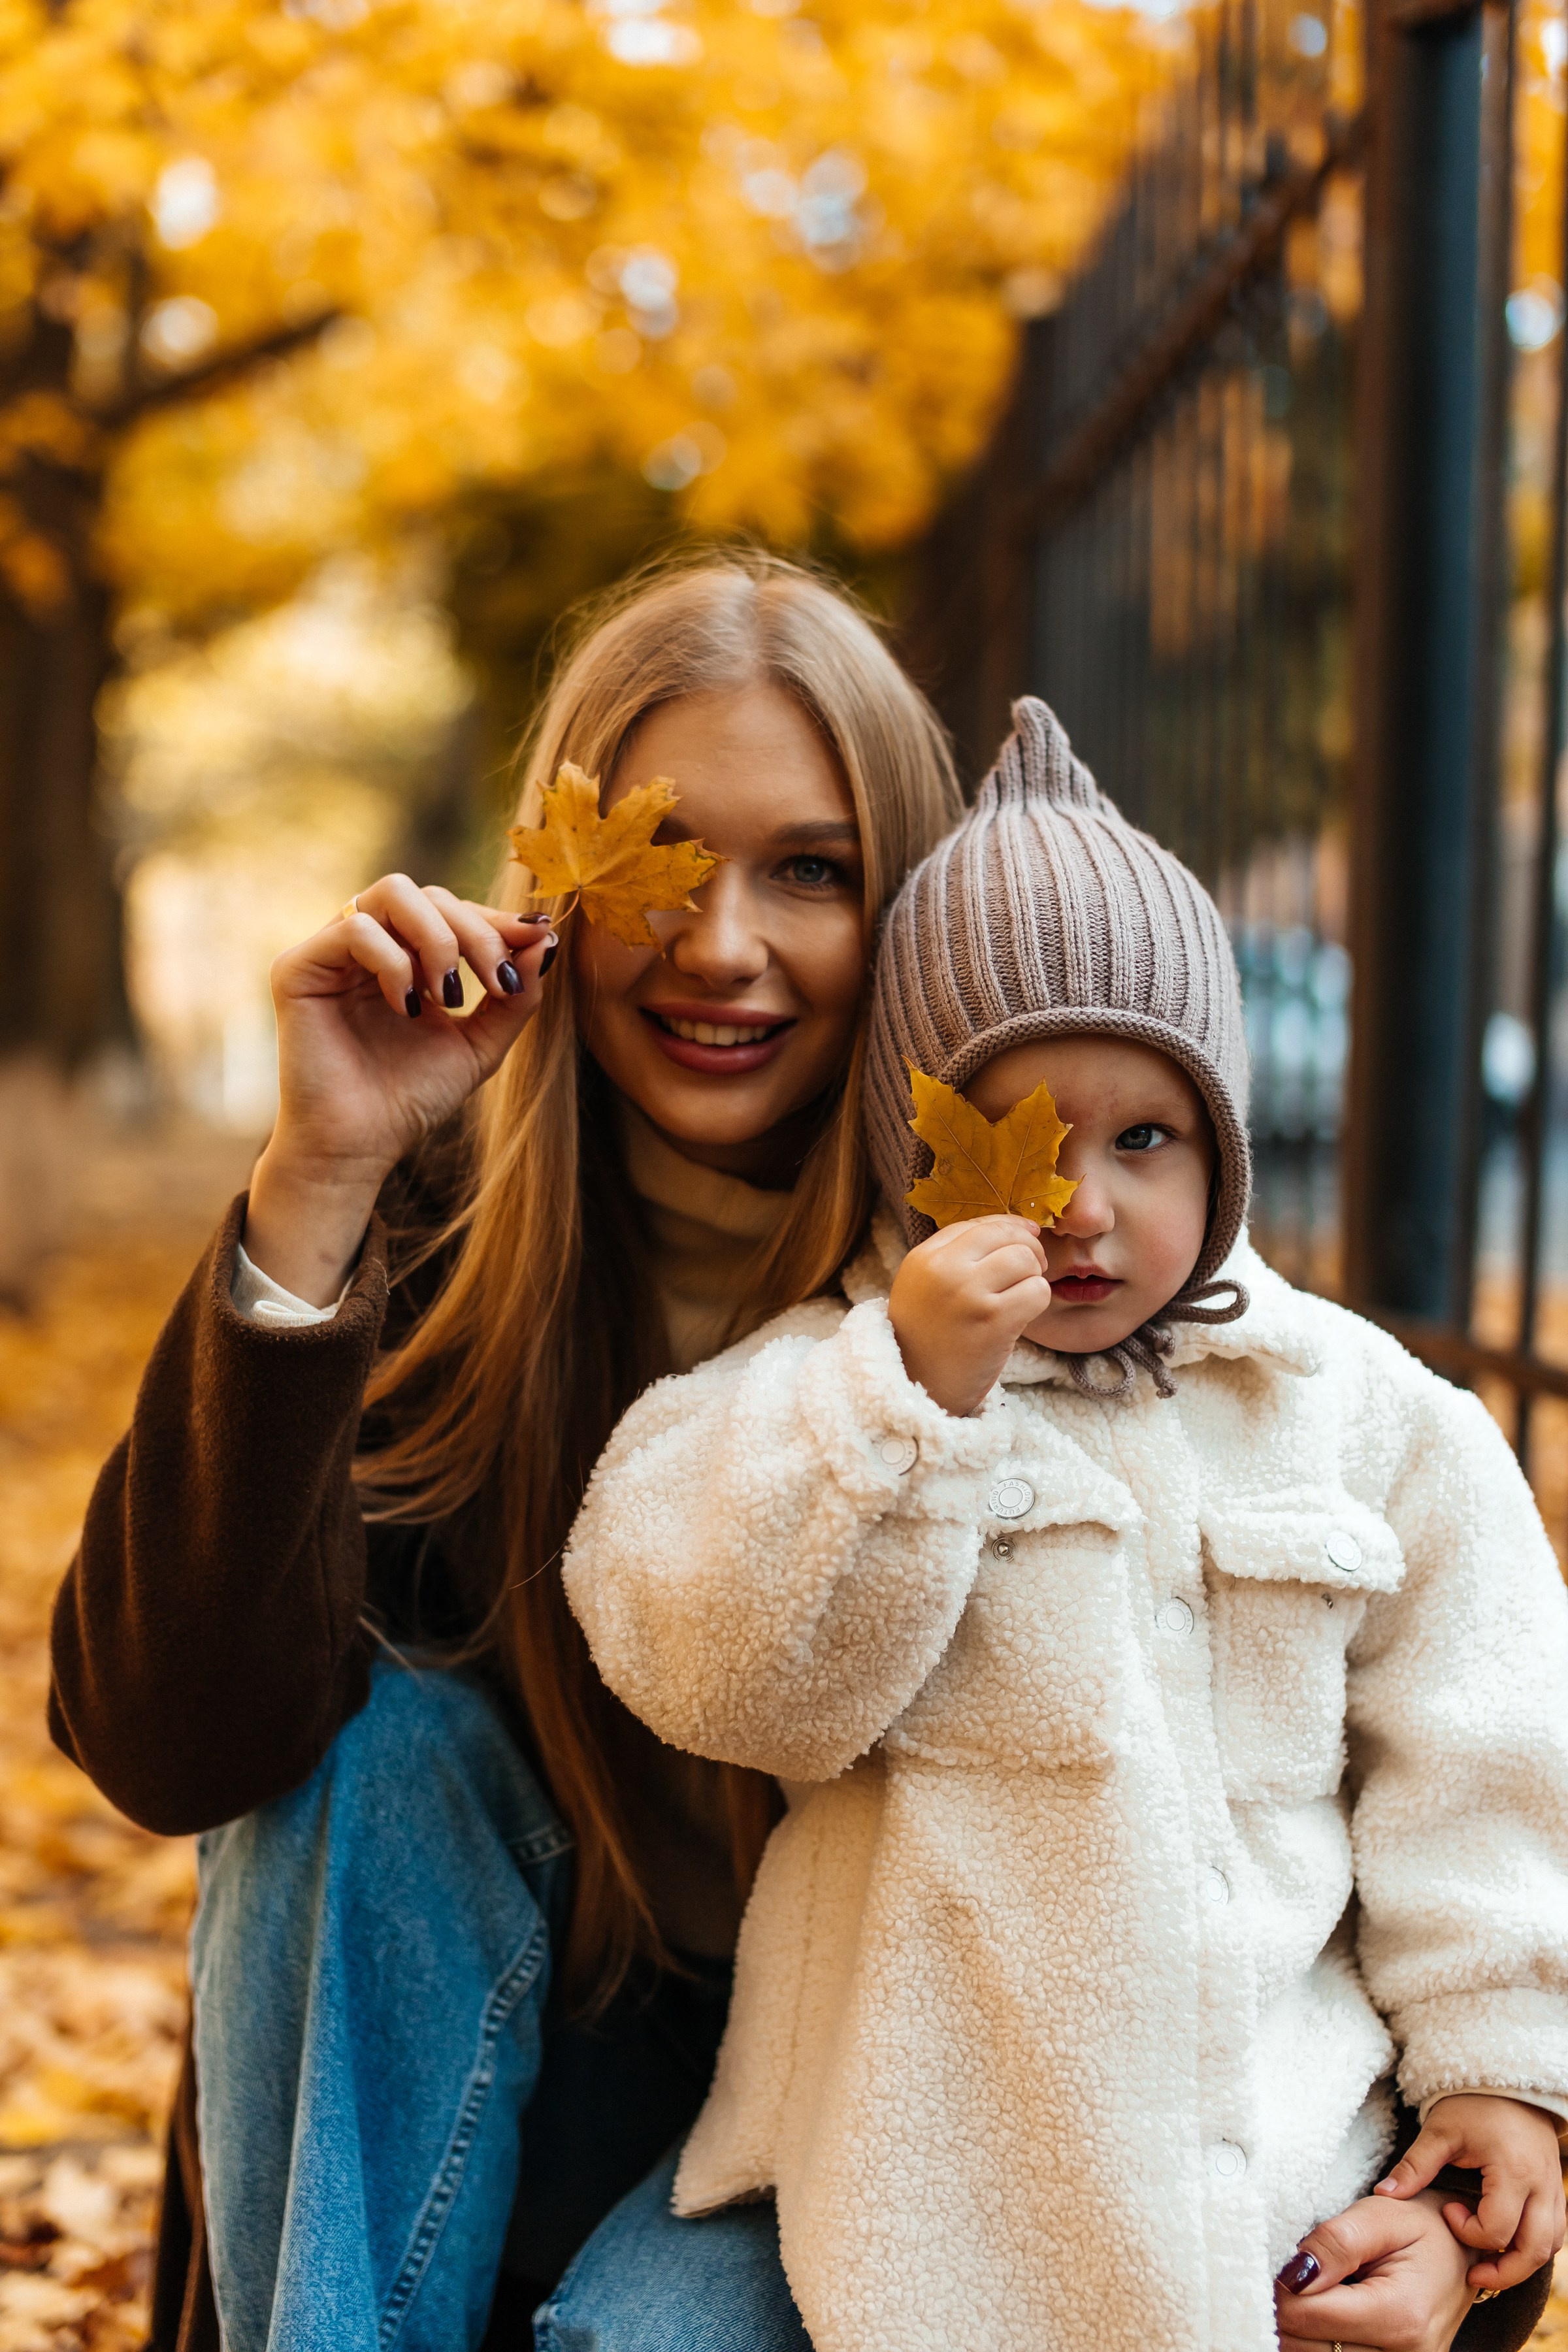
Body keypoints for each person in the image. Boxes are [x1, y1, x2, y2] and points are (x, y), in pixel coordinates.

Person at [556, 698, 1568, 2352]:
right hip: (911, 2172)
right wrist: (907, 1405)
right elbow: (723, 1674)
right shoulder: (831, 1386)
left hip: (1274, 2140)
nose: (1081, 1205)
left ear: (1224, 1149)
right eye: (1008, 1147)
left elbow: (1487, 1755)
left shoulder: (1360, 1414)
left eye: (1146, 1140)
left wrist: (1504, 2073)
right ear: (906, 1156)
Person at [46, 550, 964, 2351]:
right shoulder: (441, 1235)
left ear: (907, 907)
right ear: (555, 886)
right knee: (371, 1758)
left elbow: (1278, 1791)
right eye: (666, 859)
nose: (720, 943)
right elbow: (173, 1750)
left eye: (814, 871)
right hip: (487, 2099)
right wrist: (318, 1184)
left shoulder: (1034, 1274)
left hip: (867, 2150)